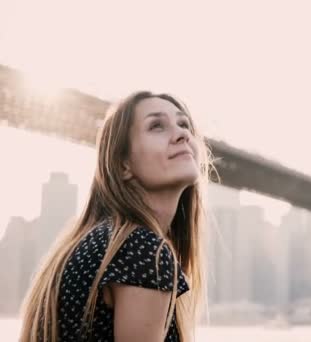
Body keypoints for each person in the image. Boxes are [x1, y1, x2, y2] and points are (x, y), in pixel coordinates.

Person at [18, 91, 212, 342]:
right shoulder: (142, 251)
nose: (183, 134)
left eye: (184, 124)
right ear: (123, 165)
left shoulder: (105, 241)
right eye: (157, 126)